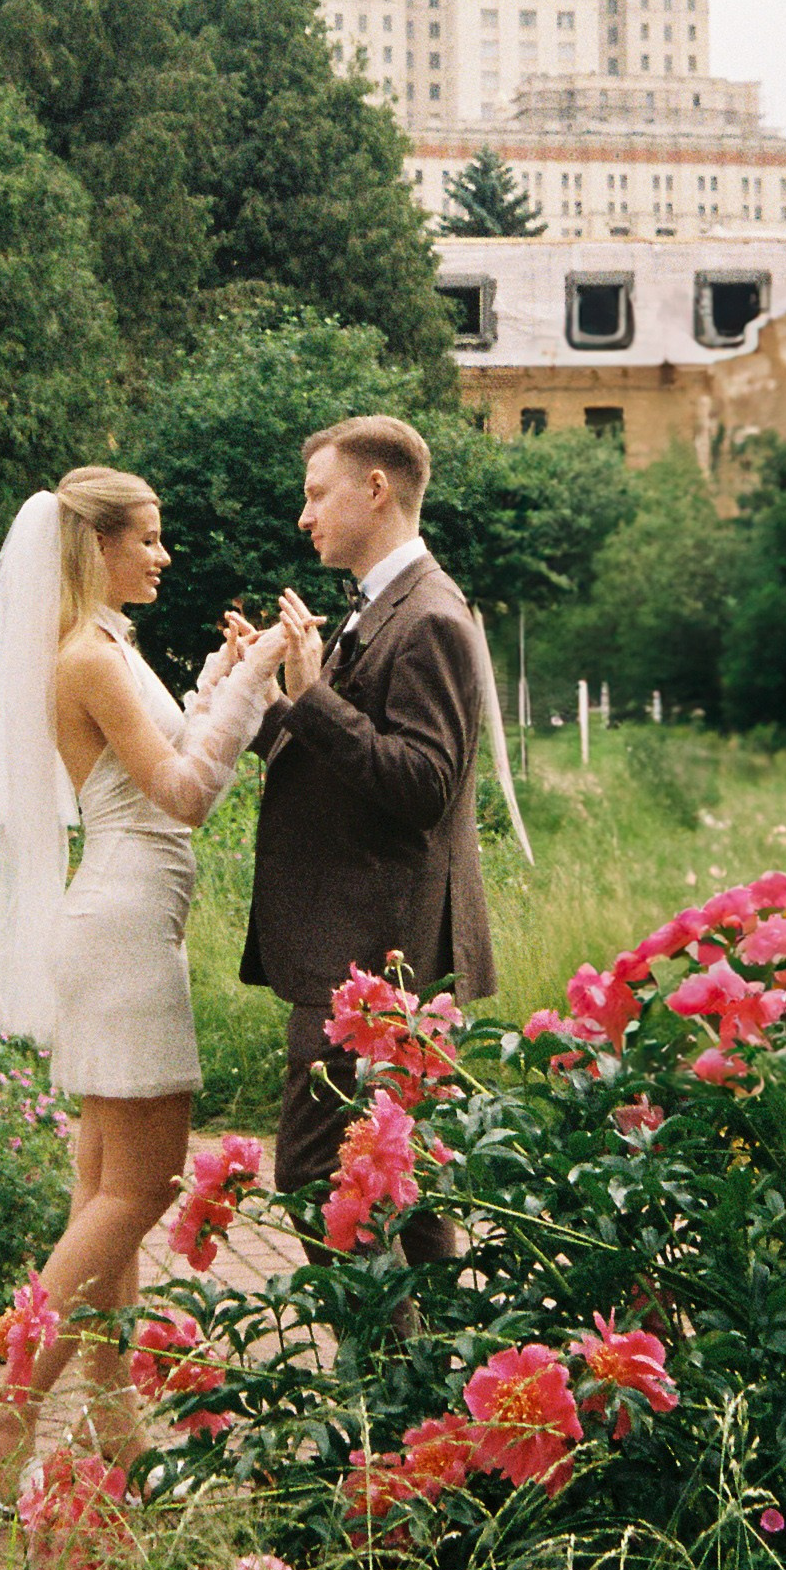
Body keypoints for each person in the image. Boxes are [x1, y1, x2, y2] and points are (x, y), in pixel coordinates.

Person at [0, 466, 286, 1490]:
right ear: (94, 544)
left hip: (114, 921)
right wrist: (258, 678)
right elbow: (185, 793)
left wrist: (218, 680)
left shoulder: (107, 643)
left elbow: (165, 755)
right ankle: (7, 1413)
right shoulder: (86, 653)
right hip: (122, 932)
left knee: (106, 1194)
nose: (161, 555)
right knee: (141, 1187)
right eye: (145, 538)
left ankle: (114, 1427)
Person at [241, 412, 511, 1262]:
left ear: (375, 487)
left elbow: (422, 786)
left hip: (373, 958)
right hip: (359, 950)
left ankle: (385, 1376)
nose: (304, 514)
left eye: (316, 493)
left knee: (321, 1179)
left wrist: (313, 693)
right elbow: (349, 763)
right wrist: (270, 703)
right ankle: (431, 1381)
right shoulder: (379, 607)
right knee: (400, 1187)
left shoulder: (427, 616)